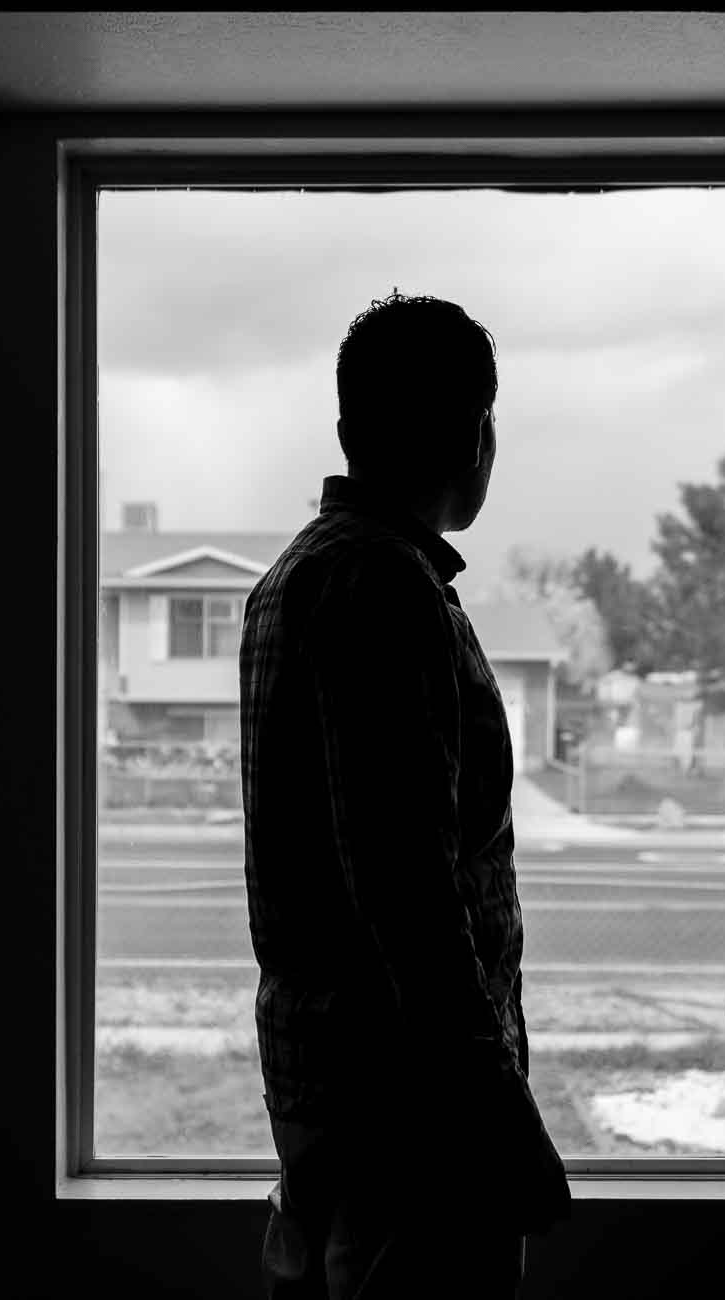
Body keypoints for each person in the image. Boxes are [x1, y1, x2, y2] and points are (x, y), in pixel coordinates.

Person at [241, 292, 569, 1299]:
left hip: (336, 1087)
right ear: (481, 435)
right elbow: (406, 882)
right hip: (410, 1112)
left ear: (347, 432)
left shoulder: (297, 579)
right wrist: (494, 1102)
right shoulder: (383, 588)